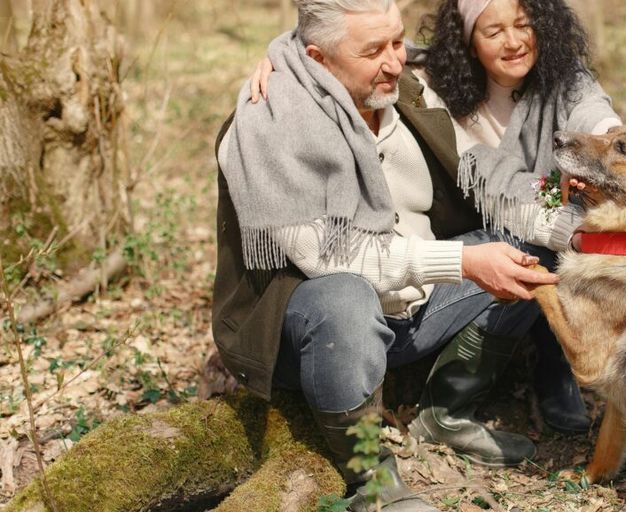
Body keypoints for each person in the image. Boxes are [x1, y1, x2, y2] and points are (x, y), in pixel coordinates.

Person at [213, 0, 560, 509]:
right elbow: (328, 257)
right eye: (374, 50)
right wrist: (462, 263)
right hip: (317, 332)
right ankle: (370, 479)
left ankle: (445, 410)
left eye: (397, 42)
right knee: (344, 298)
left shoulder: (406, 91)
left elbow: (492, 185)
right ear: (318, 58)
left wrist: (583, 231)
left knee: (524, 249)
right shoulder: (269, 124)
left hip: (414, 308)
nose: (396, 61)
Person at [249, 0, 622, 435]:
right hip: (375, 291)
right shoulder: (423, 84)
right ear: (465, 41)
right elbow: (341, 42)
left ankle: (464, 402)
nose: (514, 41)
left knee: (531, 249)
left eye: (524, 25)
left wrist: (609, 167)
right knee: (346, 298)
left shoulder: (555, 75)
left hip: (489, 231)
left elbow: (588, 113)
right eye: (494, 30)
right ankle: (365, 466)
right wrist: (283, 55)